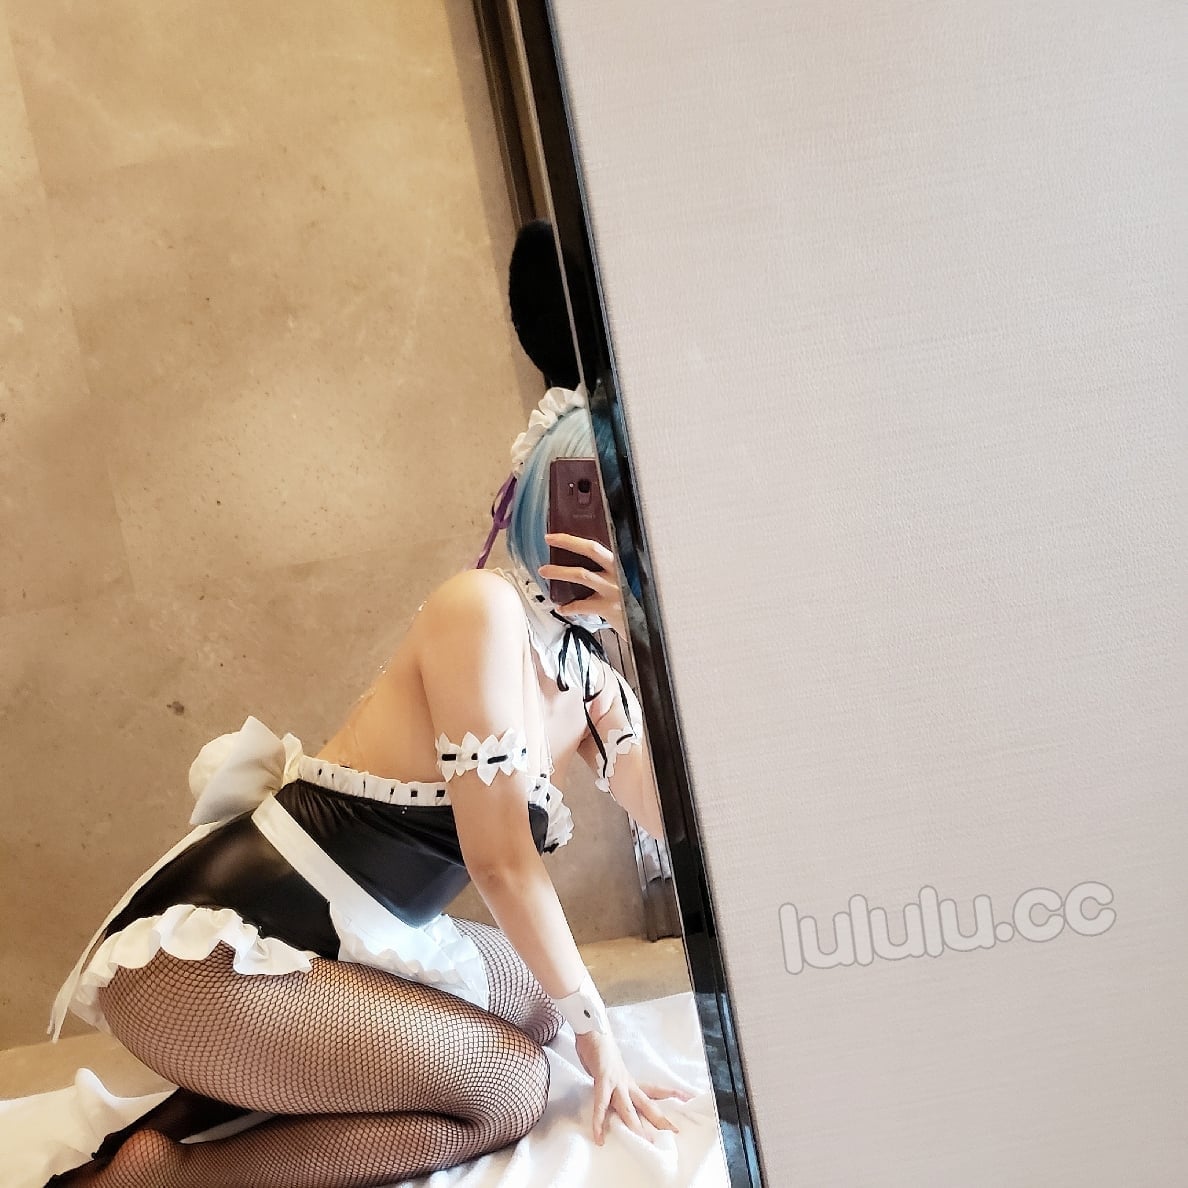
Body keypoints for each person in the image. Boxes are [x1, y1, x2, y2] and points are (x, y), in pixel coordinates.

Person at [44, 376, 687, 1188]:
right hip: (203, 964)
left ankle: (232, 1105)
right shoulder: (481, 609)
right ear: (543, 504)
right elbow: (498, 861)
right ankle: (164, 1174)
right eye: (605, 506)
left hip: (333, 950)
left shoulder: (588, 675)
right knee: (509, 1087)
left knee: (535, 998)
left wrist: (648, 630)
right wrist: (597, 1034)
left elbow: (674, 825)